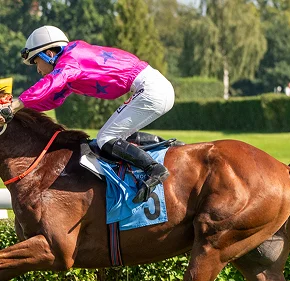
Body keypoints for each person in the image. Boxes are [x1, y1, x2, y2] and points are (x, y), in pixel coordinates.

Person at [1, 25, 175, 203]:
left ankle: (154, 169)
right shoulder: (70, 65)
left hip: (151, 89)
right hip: (152, 87)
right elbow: (52, 100)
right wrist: (16, 109)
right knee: (113, 137)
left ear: (49, 54)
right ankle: (169, 147)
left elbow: (51, 83)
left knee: (105, 138)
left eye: (36, 61)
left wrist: (16, 104)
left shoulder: (70, 60)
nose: (38, 70)